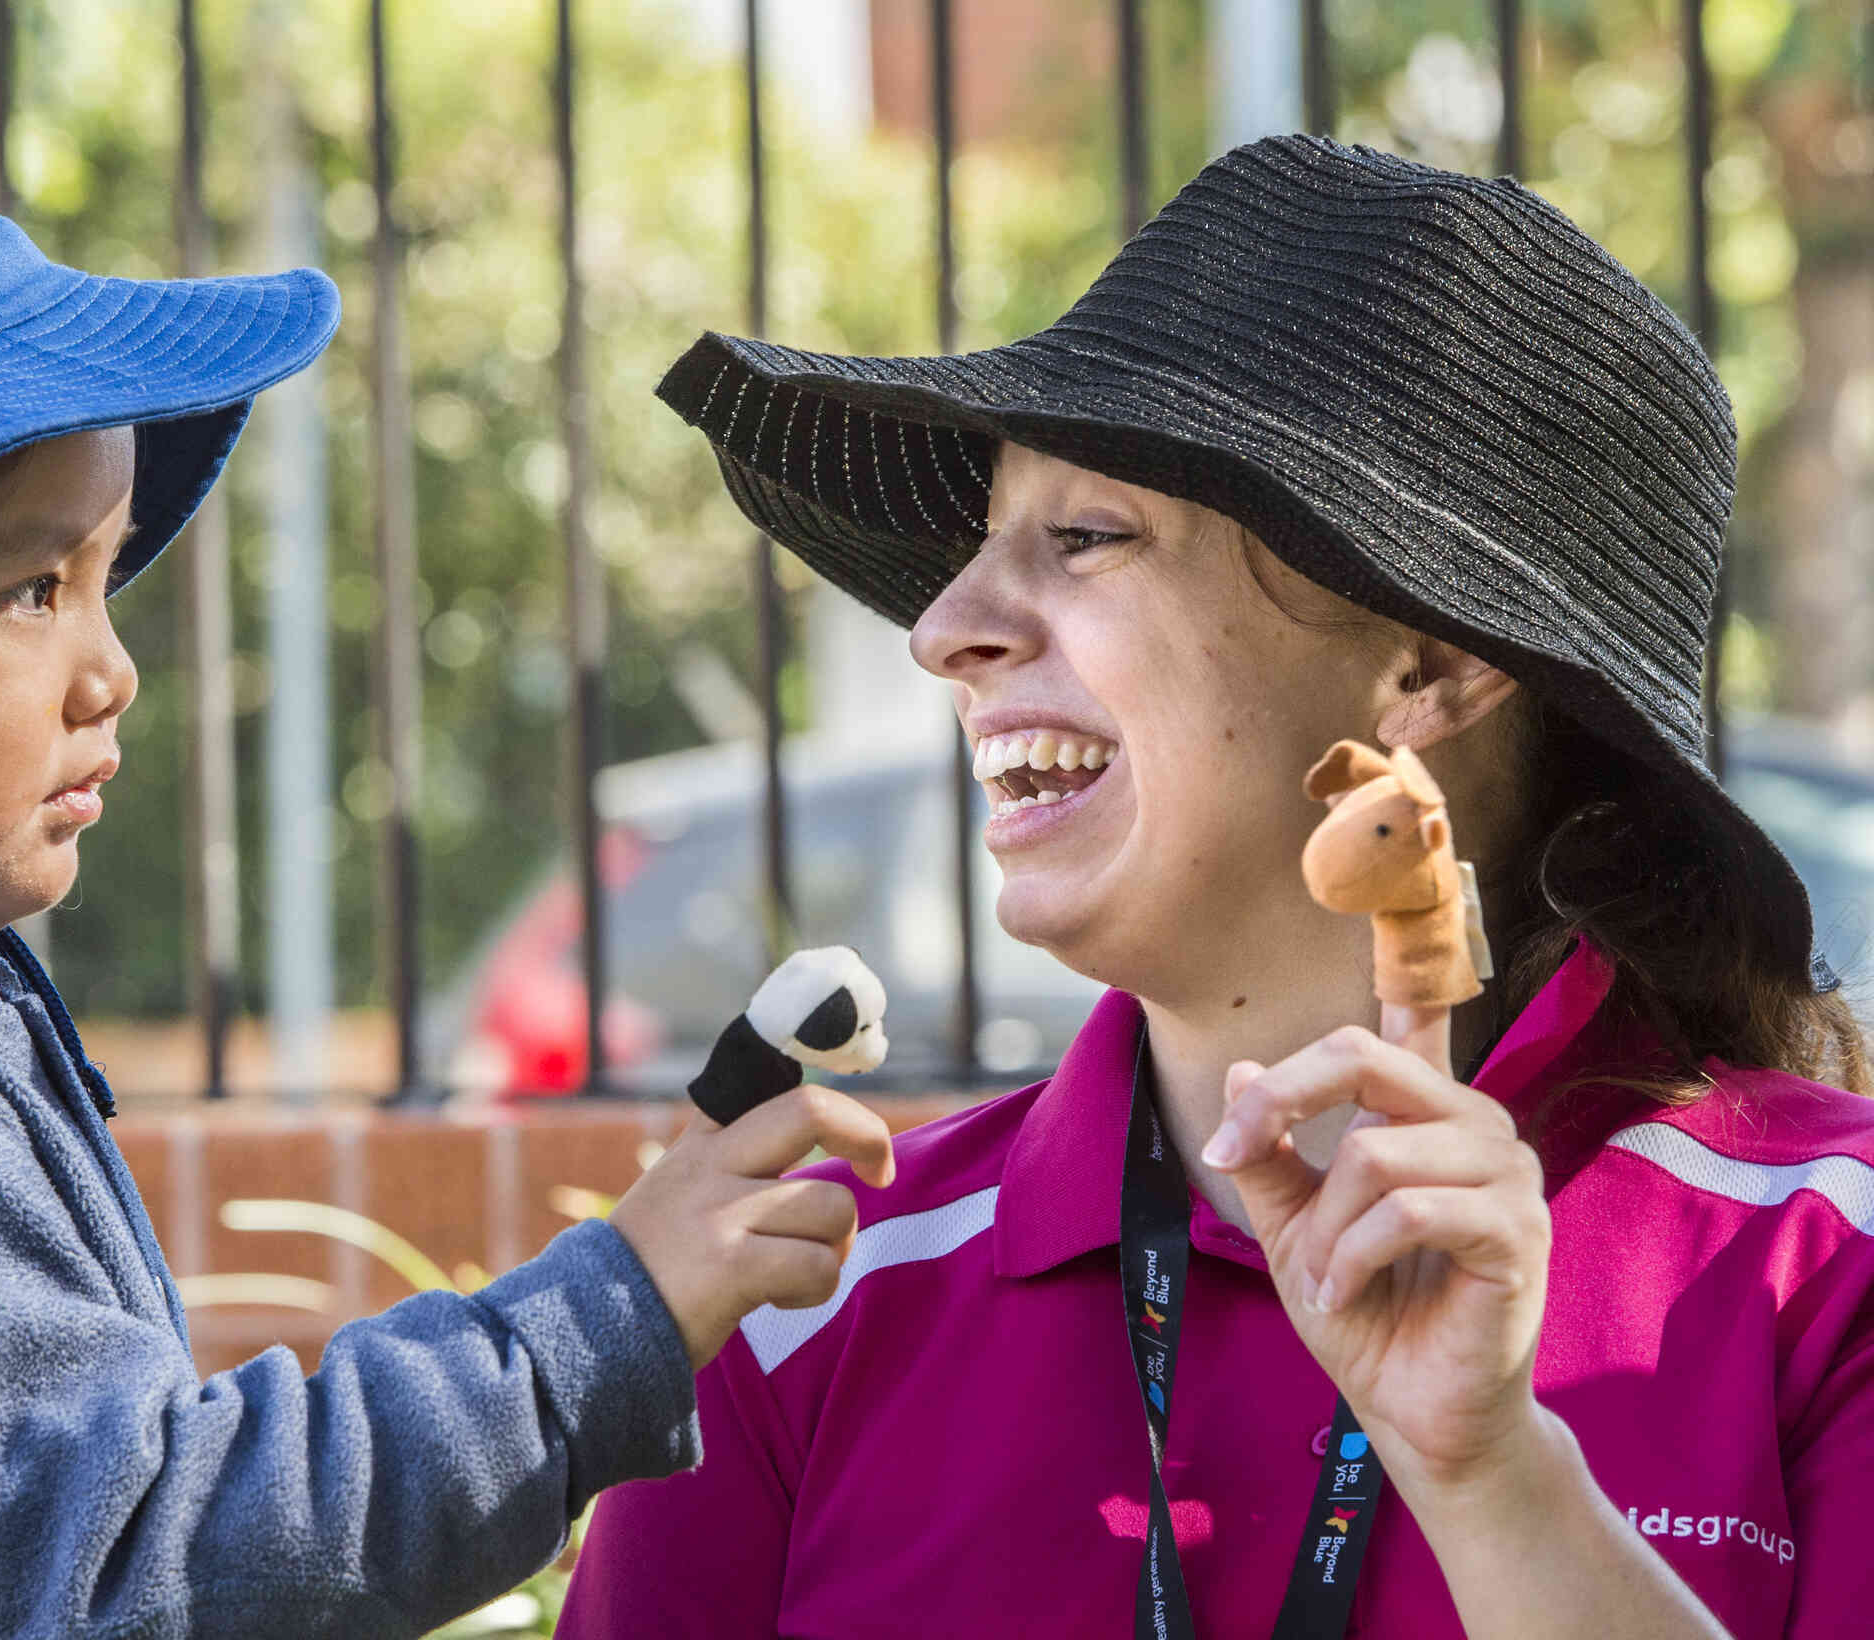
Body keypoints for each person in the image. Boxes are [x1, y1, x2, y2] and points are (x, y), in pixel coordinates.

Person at [0, 110, 895, 1639]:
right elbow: (145, 1561)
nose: (109, 672)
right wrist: (605, 1324)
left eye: (105, 581)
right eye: (32, 586)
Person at [560, 135, 1874, 1640]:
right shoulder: (810, 1295)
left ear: (1429, 668)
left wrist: (1497, 1479)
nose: (947, 627)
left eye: (1086, 539)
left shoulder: (1826, 1259)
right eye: (983, 542)